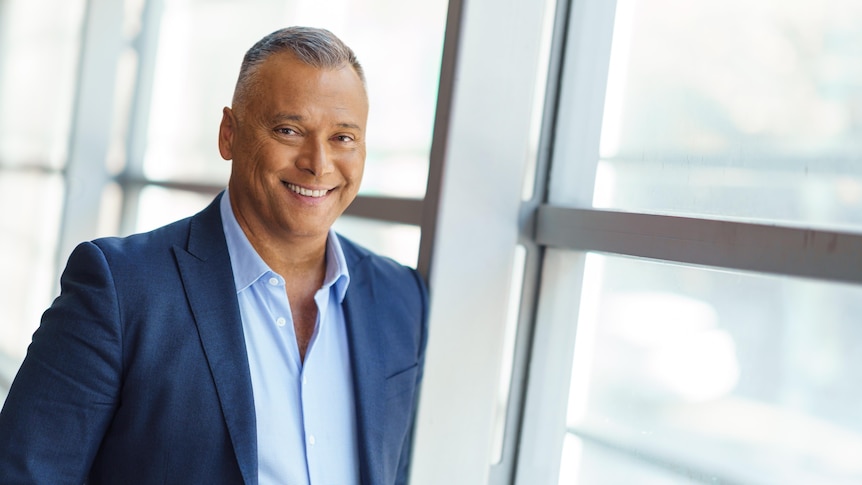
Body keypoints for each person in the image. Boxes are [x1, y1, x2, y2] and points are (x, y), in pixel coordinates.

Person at [0, 26, 428, 485]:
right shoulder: (120, 289)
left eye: (343, 137)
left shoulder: (401, 298)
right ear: (229, 134)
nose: (318, 163)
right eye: (289, 130)